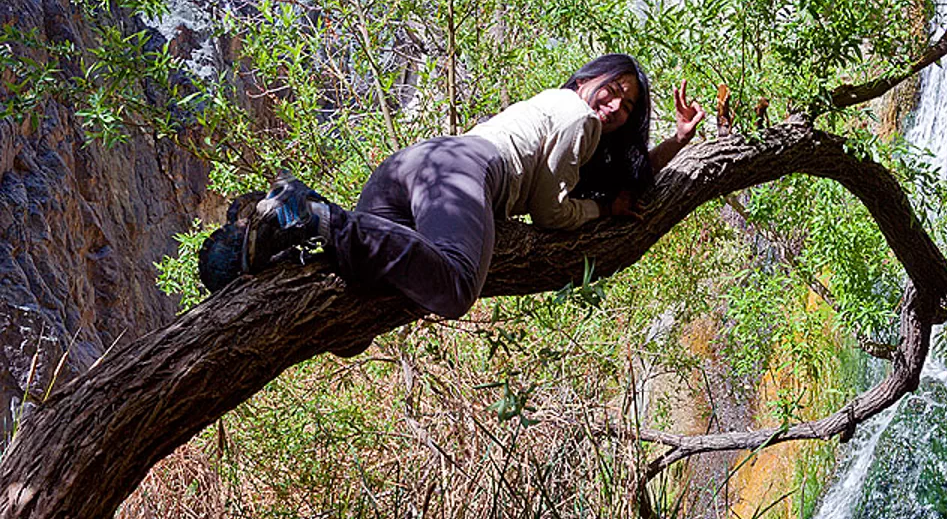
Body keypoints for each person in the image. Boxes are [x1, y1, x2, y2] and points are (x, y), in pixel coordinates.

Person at [237, 54, 705, 318]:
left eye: (626, 106)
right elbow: (550, 214)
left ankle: (245, 254)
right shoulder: (579, 117)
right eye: (614, 88)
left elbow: (623, 176)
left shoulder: (556, 108)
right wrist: (602, 213)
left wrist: (676, 142)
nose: (616, 105)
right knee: (458, 287)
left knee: (358, 294)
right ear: (587, 79)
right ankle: (312, 213)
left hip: (412, 165)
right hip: (465, 172)